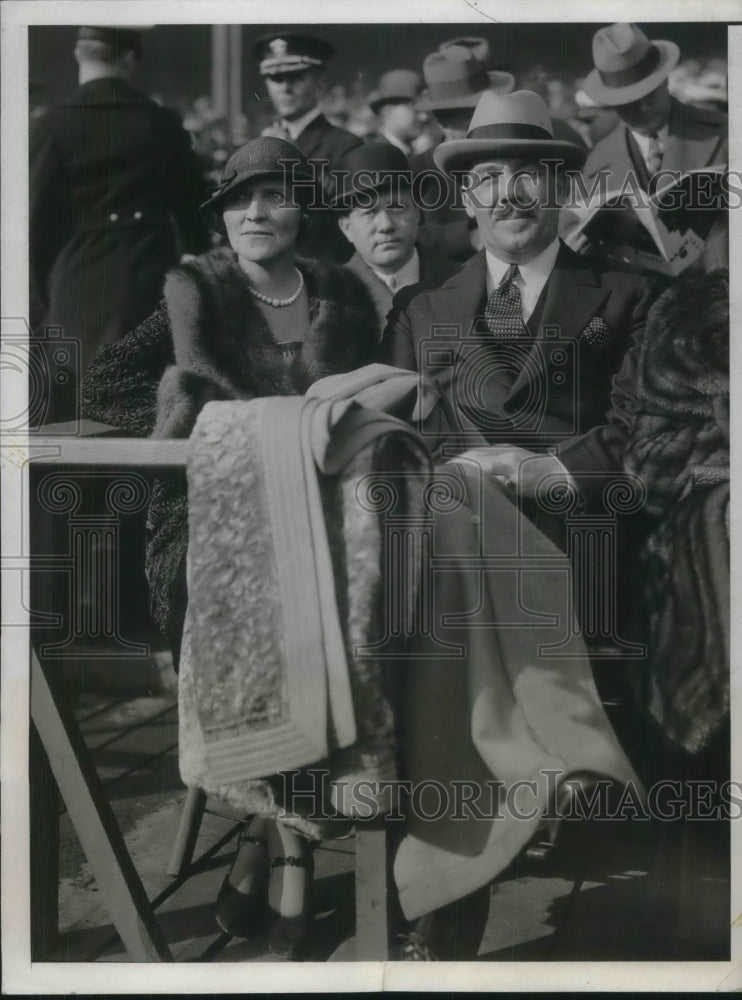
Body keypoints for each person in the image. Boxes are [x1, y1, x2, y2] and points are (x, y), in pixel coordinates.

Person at [81, 137, 379, 958]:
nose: (257, 213)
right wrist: (187, 403)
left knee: (334, 606)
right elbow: (107, 381)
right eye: (241, 201)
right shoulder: (196, 292)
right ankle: (291, 844)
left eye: (275, 197)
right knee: (261, 607)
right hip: (205, 518)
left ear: (300, 212)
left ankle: (260, 833)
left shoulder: (344, 296)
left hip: (319, 516)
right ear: (221, 217)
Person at [381, 89, 657, 507]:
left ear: (562, 188)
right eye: (489, 177)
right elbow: (390, 441)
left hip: (586, 540)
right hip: (460, 545)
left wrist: (555, 472)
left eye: (529, 173)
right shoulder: (417, 308)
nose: (509, 193)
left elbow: (647, 427)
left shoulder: (630, 296)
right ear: (467, 200)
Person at [29, 25, 207, 424]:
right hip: (149, 283)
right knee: (146, 410)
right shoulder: (162, 124)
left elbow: (35, 230)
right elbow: (195, 216)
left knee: (75, 413)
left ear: (79, 53)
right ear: (129, 59)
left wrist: (46, 301)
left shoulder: (51, 127)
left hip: (75, 289)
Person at [581, 23, 728, 190]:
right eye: (629, 101)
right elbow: (575, 215)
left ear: (664, 79)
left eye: (649, 93)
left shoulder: (725, 134)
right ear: (611, 102)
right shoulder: (596, 161)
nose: (643, 108)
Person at [254, 32, 361, 262]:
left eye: (296, 77)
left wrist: (290, 157)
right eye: (276, 78)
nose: (285, 88)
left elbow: (341, 227)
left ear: (320, 81)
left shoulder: (345, 145)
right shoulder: (259, 144)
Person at [333, 142, 459, 333]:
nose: (386, 226)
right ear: (347, 228)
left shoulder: (462, 281)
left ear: (418, 213)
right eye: (369, 213)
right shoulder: (330, 298)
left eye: (397, 208)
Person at [368, 69, 427, 156]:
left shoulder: (418, 151)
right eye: (416, 111)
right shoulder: (375, 156)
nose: (424, 117)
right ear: (388, 110)